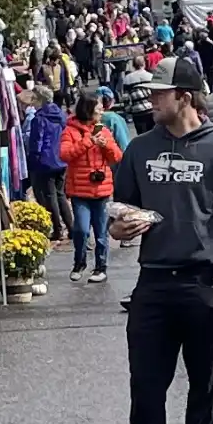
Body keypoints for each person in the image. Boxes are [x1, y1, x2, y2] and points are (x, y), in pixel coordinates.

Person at [112, 59, 213, 424]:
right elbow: (118, 213)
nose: (150, 100)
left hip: (202, 279)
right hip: (152, 279)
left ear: (184, 97)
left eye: (159, 93)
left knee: (204, 375)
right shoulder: (140, 149)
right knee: (146, 377)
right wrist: (121, 229)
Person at [59, 91, 124, 285]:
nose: (102, 111)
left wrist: (105, 146)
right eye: (98, 108)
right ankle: (79, 263)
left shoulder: (102, 129)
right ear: (88, 110)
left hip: (102, 190)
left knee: (101, 233)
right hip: (80, 191)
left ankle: (101, 267)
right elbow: (65, 154)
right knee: (80, 229)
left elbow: (116, 157)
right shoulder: (70, 131)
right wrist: (88, 142)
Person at [25, 84, 70, 220]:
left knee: (50, 195)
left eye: (34, 99)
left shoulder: (39, 119)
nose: (32, 103)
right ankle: (70, 226)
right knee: (60, 194)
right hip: (61, 158)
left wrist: (32, 161)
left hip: (46, 161)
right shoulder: (60, 115)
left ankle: (57, 228)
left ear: (40, 100)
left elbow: (37, 142)